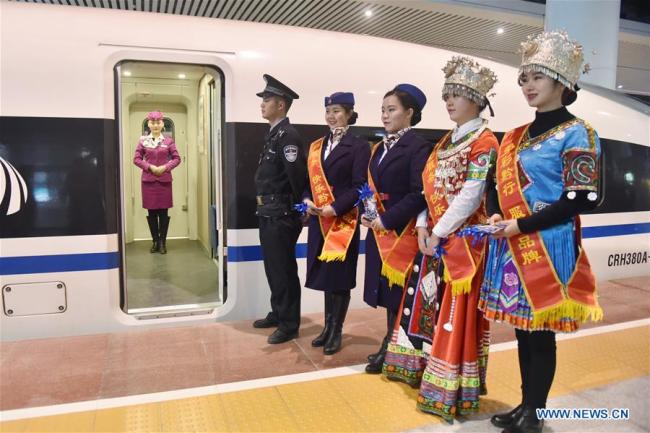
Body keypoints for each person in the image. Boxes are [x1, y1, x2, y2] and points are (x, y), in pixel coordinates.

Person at [480, 31, 603, 433]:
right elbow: (495, 186)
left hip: (548, 245)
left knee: (541, 335)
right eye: (524, 79)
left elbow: (582, 199)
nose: (527, 86)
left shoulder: (578, 133)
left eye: (537, 77)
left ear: (561, 84)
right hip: (512, 242)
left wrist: (521, 224)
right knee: (521, 331)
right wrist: (498, 216)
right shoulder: (513, 136)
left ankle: (536, 411)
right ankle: (525, 404)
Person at [383, 56, 499, 423]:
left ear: (477, 101)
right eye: (446, 94)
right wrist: (421, 225)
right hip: (434, 239)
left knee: (451, 316)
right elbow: (427, 189)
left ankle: (448, 388)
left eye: (457, 95)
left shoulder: (485, 142)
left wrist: (437, 230)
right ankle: (417, 370)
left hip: (462, 245)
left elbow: (471, 193)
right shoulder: (446, 141)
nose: (448, 101)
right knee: (423, 308)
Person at [361, 84, 432, 373]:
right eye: (383, 110)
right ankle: (390, 343)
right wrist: (367, 213)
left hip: (401, 231)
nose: (385, 115)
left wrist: (387, 220)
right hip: (378, 229)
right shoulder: (379, 147)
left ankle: (401, 349)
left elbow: (420, 193)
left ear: (410, 113)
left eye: (392, 110)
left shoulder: (419, 146)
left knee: (402, 294)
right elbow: (370, 188)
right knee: (389, 293)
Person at [303, 92, 370, 355]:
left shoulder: (359, 145)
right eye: (328, 110)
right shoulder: (317, 145)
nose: (332, 116)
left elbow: (359, 186)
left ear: (350, 113)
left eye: (337, 111)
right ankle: (327, 326)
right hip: (320, 221)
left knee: (339, 279)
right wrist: (307, 199)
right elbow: (308, 182)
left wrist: (335, 206)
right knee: (324, 276)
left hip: (343, 221)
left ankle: (337, 330)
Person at [253, 74, 308, 345]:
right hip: (268, 213)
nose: (262, 104)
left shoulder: (288, 136)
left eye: (267, 99)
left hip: (282, 215)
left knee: (283, 269)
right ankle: (278, 312)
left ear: (281, 105)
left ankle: (289, 324)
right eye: (263, 99)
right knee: (273, 268)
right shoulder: (273, 134)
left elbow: (297, 177)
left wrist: (298, 211)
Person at [133, 111, 181, 254]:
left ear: (162, 124)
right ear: (148, 123)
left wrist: (165, 167)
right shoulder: (143, 141)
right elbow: (136, 159)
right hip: (148, 182)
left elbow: (177, 158)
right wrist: (150, 167)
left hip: (164, 182)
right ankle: (155, 241)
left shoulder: (168, 141)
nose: (155, 125)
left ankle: (162, 243)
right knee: (152, 213)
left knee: (163, 213)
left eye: (158, 122)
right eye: (152, 122)